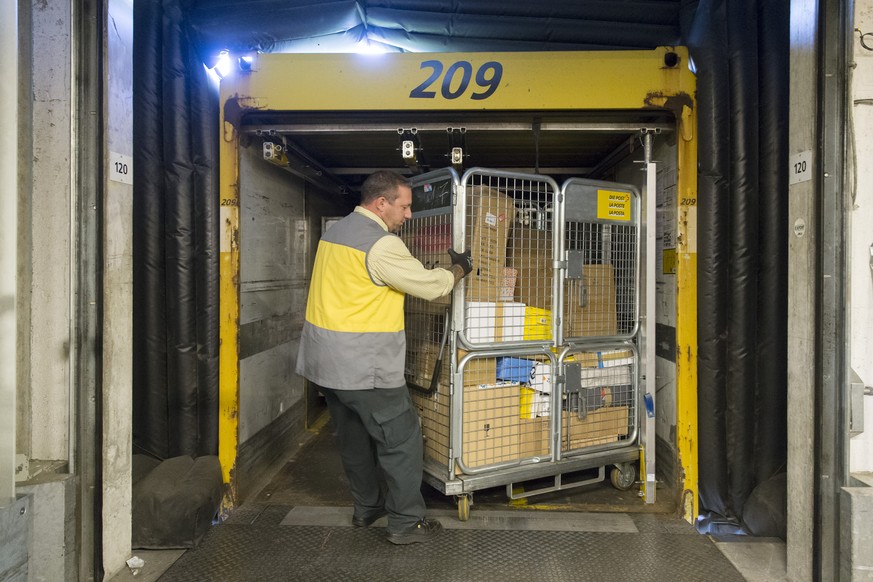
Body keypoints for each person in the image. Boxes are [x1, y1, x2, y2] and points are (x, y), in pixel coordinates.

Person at [296, 170, 473, 545]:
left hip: (326, 365)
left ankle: (367, 509)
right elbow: (431, 287)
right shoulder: (381, 245)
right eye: (405, 206)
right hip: (365, 365)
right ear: (381, 203)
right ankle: (406, 523)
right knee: (402, 439)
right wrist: (459, 269)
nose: (408, 215)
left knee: (355, 439)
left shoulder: (335, 233)